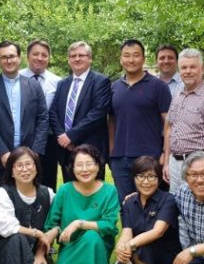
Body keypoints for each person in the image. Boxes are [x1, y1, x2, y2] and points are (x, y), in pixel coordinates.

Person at [0, 41, 48, 205]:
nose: (9, 60)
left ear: (19, 58)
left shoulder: (34, 86)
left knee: (29, 201)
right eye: (4, 57)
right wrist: (2, 153)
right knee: (0, 201)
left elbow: (43, 118)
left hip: (29, 157)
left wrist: (34, 153)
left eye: (12, 56)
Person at [43, 144, 119, 264]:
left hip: (98, 246)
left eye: (89, 164)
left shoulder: (109, 191)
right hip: (71, 246)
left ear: (98, 165)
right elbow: (51, 224)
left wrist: (79, 223)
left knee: (92, 236)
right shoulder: (64, 190)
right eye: (79, 165)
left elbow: (110, 226)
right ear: (72, 168)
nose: (85, 169)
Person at [109, 39, 172, 201]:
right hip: (120, 160)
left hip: (149, 158)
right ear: (121, 59)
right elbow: (112, 121)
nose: (131, 60)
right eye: (126, 55)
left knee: (150, 205)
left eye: (136, 55)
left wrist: (165, 154)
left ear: (143, 59)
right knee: (126, 205)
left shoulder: (158, 86)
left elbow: (169, 124)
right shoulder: (114, 88)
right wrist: (112, 152)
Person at [114, 156, 181, 264]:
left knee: (141, 249)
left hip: (165, 256)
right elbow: (126, 232)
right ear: (134, 178)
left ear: (159, 179)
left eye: (151, 176)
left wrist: (130, 245)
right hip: (138, 251)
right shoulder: (129, 202)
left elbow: (158, 232)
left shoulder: (168, 200)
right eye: (141, 176)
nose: (146, 182)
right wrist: (121, 247)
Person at [49, 41, 111, 182]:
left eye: (81, 55)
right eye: (73, 56)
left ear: (90, 58)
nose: (77, 59)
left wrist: (71, 136)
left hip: (91, 150)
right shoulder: (62, 84)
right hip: (66, 149)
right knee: (71, 189)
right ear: (69, 60)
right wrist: (62, 137)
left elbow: (98, 113)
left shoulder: (101, 81)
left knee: (93, 191)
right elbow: (53, 112)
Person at [162, 48, 204, 192]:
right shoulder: (177, 95)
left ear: (202, 69)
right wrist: (166, 162)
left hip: (196, 165)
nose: (188, 71)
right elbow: (169, 128)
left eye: (192, 67)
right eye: (184, 67)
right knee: (175, 203)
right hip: (174, 163)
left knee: (195, 203)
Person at [21, 39, 62, 190]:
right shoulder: (15, 78)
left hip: (48, 142)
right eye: (35, 54)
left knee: (47, 186)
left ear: (49, 58)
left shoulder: (58, 82)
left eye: (44, 55)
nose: (40, 58)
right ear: (27, 56)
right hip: (21, 138)